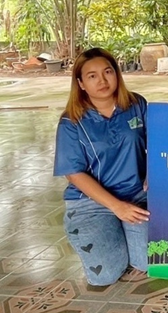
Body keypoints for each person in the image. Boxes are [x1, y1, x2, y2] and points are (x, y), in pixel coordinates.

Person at [54, 48, 149, 286]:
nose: (102, 81)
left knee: (148, 261)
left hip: (138, 196)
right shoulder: (71, 121)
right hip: (92, 203)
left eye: (108, 72)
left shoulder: (136, 104)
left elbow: (159, 142)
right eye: (92, 76)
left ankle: (125, 234)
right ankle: (93, 228)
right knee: (104, 276)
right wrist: (117, 207)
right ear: (81, 83)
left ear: (117, 74)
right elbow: (73, 173)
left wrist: (152, 173)